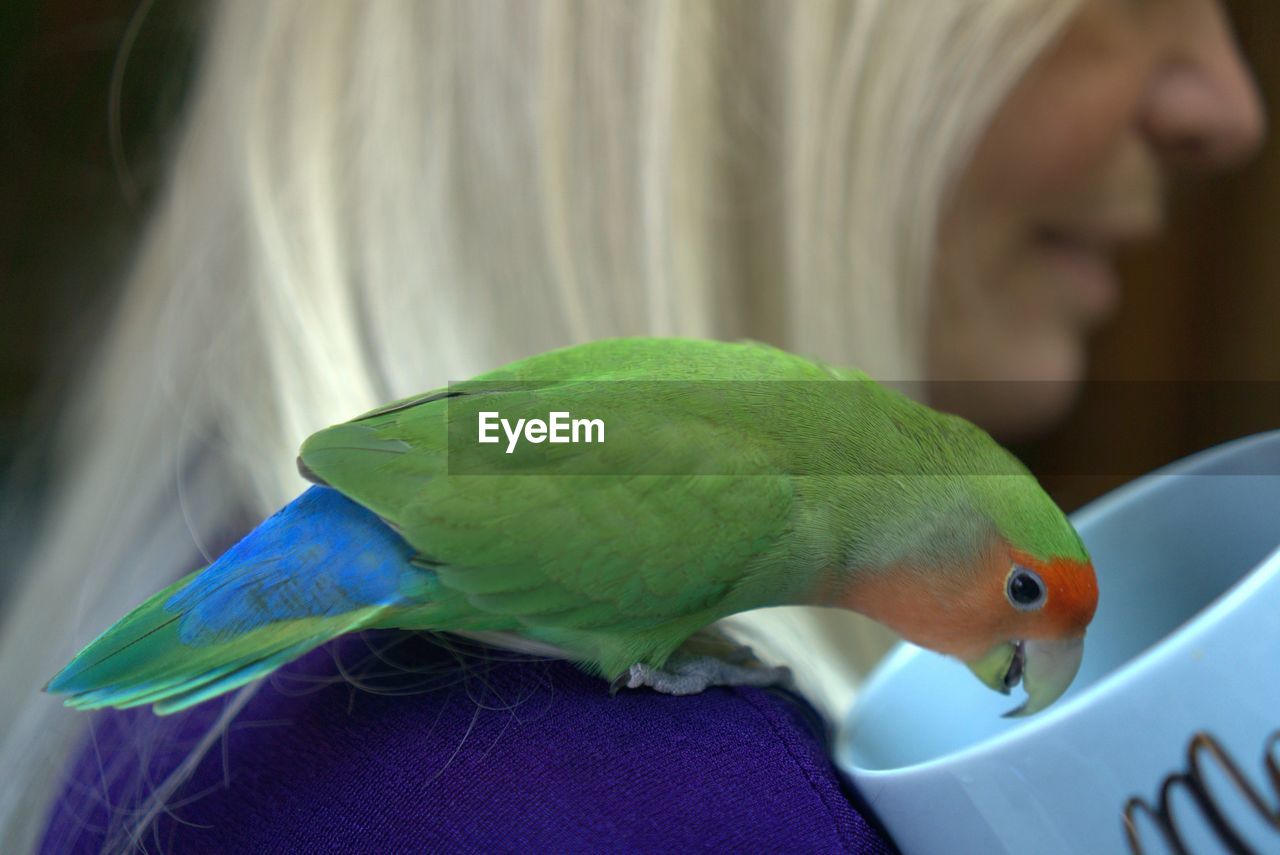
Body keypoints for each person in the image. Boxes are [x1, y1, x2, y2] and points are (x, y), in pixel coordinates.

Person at [1, 1, 1263, 852]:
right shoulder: (657, 794)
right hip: (414, 530)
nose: (1230, 106)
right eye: (1026, 595)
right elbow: (546, 453)